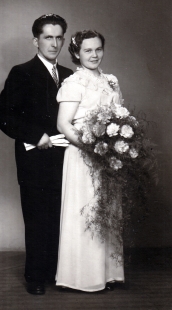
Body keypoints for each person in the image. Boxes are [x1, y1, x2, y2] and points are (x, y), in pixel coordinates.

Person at [0, 14, 73, 295]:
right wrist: (33, 135)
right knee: (38, 219)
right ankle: (36, 277)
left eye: (58, 37)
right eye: (48, 37)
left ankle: (56, 272)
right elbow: (1, 114)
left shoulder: (69, 74)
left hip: (65, 160)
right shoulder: (21, 72)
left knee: (60, 217)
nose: (54, 43)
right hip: (34, 161)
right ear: (35, 40)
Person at [56, 30, 125, 292]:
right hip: (83, 156)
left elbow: (119, 114)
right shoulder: (74, 83)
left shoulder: (111, 81)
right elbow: (63, 124)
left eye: (98, 49)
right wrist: (91, 147)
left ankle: (108, 274)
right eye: (87, 50)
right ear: (76, 53)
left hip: (109, 156)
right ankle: (82, 277)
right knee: (85, 212)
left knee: (107, 211)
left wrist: (115, 145)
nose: (94, 55)